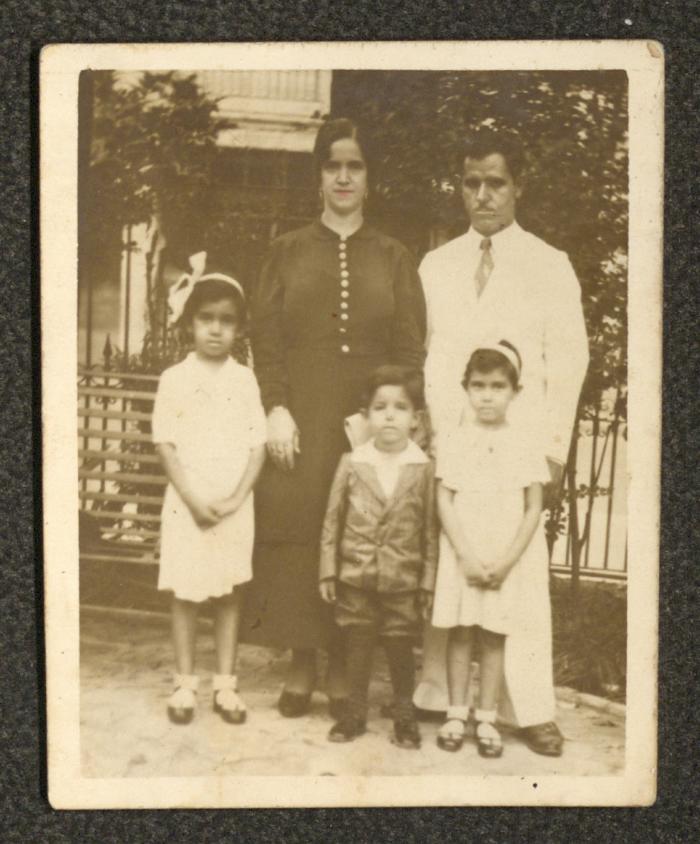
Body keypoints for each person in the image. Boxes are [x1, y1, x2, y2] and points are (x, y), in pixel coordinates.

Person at [244, 119, 427, 718]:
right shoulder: (285, 251)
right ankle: (301, 661)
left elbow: (409, 351)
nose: (344, 176)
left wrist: (382, 422)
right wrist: (275, 408)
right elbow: (265, 341)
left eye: (355, 166)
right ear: (319, 176)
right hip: (299, 416)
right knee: (298, 529)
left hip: (368, 423)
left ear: (370, 178)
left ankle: (346, 669)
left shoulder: (395, 257)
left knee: (358, 536)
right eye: (333, 166)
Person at [415, 130, 589, 756]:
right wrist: (435, 439)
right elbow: (432, 361)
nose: (482, 196)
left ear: (518, 186)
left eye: (495, 182)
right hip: (458, 450)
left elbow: (568, 363)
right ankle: (442, 696)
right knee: (457, 576)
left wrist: (551, 452)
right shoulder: (437, 265)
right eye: (471, 183)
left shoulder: (549, 263)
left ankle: (532, 707)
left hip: (519, 453)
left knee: (519, 579)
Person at [152, 253, 267, 725]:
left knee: (228, 593)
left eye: (226, 321)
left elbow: (257, 445)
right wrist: (194, 500)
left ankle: (225, 684)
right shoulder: (175, 379)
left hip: (233, 505)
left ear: (239, 328)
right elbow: (166, 444)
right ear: (190, 324)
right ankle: (184, 684)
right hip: (187, 504)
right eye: (206, 319)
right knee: (185, 593)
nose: (216, 329)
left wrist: (238, 497)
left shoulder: (244, 380)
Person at [433, 342, 549, 758]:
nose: (487, 394)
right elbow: (444, 498)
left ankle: (486, 719)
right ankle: (455, 713)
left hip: (503, 557)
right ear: (466, 388)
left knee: (495, 637)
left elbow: (534, 507)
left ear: (514, 391)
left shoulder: (524, 441)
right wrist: (463, 553)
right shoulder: (456, 437)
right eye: (478, 385)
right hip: (463, 552)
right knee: (461, 633)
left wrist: (506, 562)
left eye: (497, 386)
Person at [319, 365, 438, 748]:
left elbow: (429, 531)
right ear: (366, 416)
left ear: (416, 419)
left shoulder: (421, 468)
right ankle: (355, 712)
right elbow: (332, 520)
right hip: (357, 575)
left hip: (402, 579)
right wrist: (327, 571)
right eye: (380, 407)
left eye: (400, 407)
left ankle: (404, 713)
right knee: (358, 642)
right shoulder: (353, 462)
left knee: (401, 645)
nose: (389, 415)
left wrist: (428, 580)